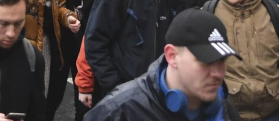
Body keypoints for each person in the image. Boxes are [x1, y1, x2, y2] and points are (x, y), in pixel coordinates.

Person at [86, 7, 243, 121]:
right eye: (205, 60)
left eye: (222, 60)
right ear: (172, 56)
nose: (217, 73)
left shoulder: (225, 109)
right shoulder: (118, 111)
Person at [1, 0, 80, 120]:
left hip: (49, 45)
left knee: (46, 98)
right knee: (24, 99)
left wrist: (68, 17)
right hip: (22, 47)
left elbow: (58, 8)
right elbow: (7, 11)